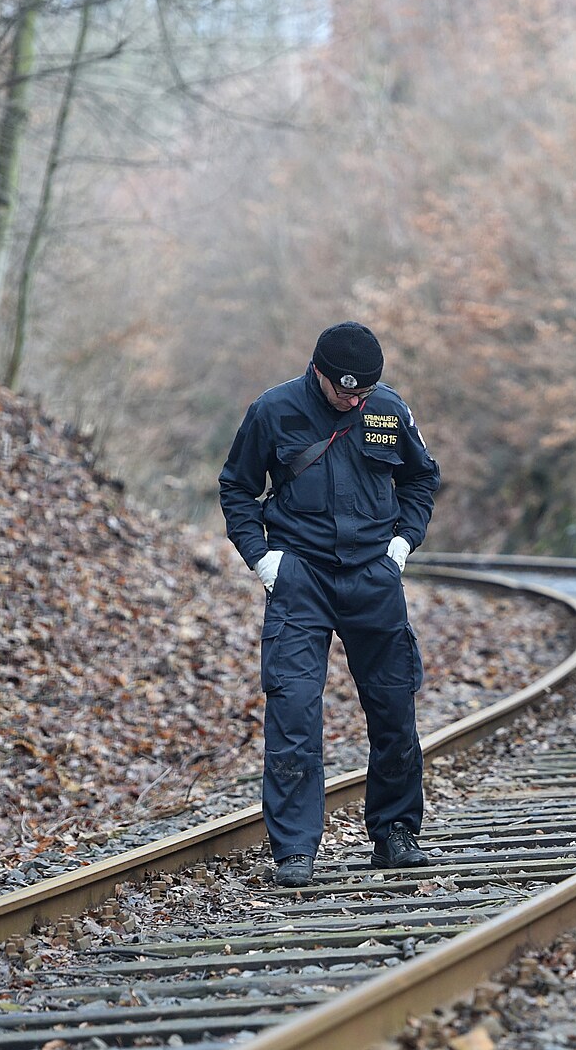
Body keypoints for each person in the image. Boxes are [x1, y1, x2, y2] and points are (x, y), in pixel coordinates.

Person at [218, 321, 441, 887]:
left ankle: (396, 834)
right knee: (293, 710)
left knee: (393, 707)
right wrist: (263, 561)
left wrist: (402, 544)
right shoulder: (273, 411)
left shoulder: (388, 409)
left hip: (373, 576)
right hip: (301, 577)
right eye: (345, 391)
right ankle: (295, 849)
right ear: (319, 371)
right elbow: (237, 487)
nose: (354, 400)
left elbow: (421, 479)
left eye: (364, 391)